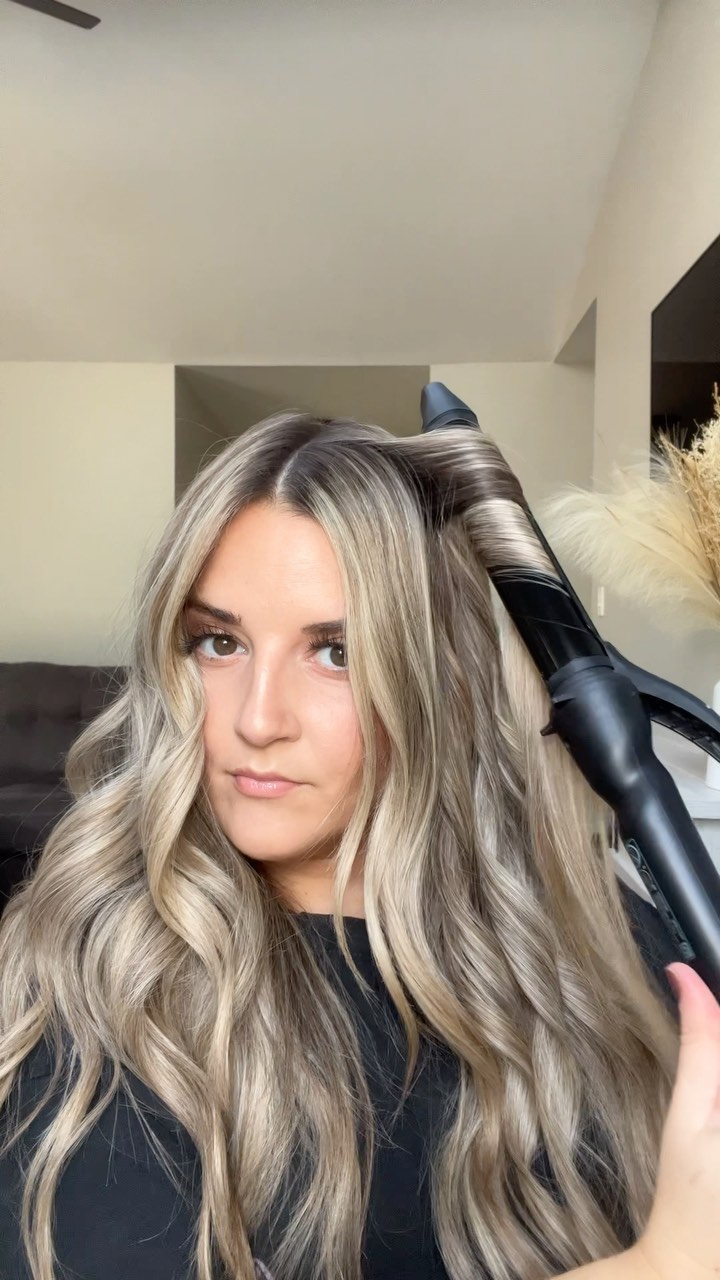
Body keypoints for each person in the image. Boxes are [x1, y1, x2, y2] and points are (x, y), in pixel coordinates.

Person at [0, 410, 715, 1280]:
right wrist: (666, 1265)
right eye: (218, 643)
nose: (257, 718)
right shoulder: (100, 976)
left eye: (334, 652)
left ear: (439, 682)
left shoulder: (602, 946)